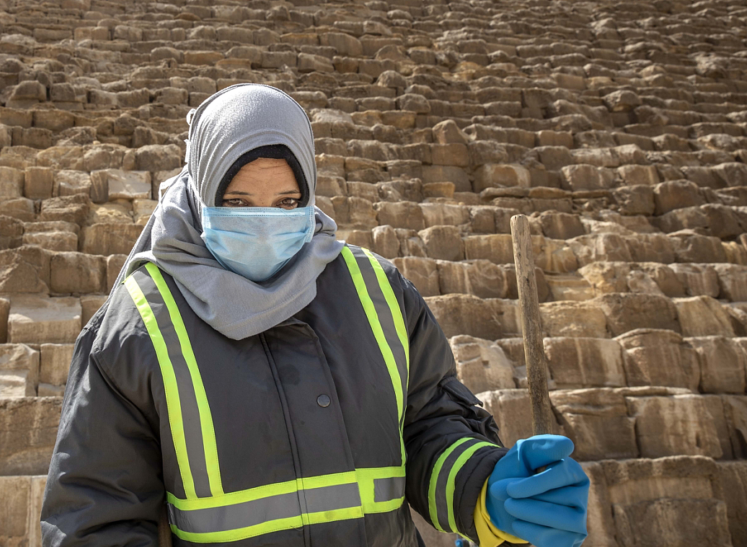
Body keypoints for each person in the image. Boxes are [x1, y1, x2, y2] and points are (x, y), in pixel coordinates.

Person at [41, 84, 589, 547]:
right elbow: (95, 516)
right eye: (236, 203)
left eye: (286, 203)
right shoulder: (137, 326)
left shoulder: (378, 291)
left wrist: (485, 491)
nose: (264, 222)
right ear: (200, 189)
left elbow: (429, 424)